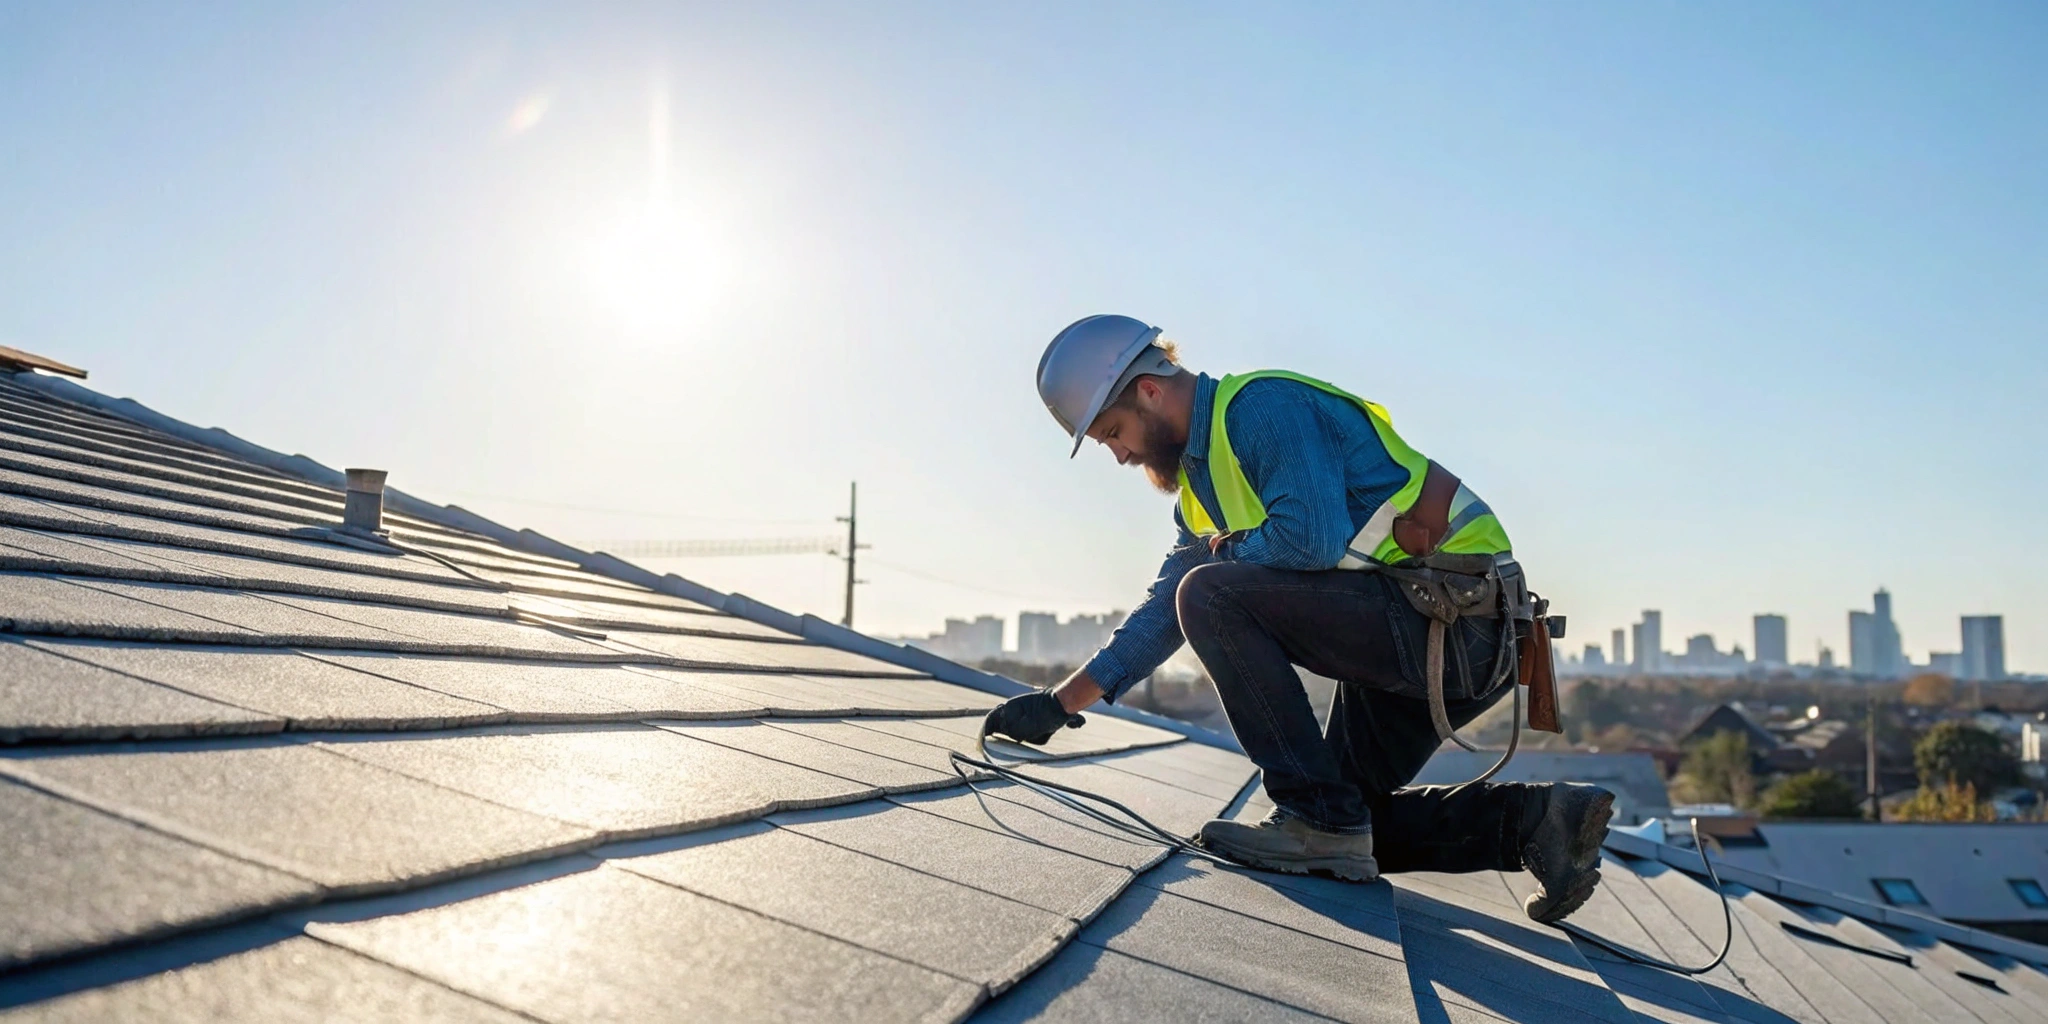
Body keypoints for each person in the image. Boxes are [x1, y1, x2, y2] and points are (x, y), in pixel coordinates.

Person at [981, 314, 1611, 924]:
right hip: (1419, 629)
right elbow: (1166, 611)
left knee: (1218, 607)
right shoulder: (1200, 493)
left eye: (1115, 433)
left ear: (1149, 391)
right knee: (1353, 829)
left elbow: (1308, 539)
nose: (1119, 456)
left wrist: (1226, 559)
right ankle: (1542, 823)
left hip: (1460, 623)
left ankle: (1319, 819)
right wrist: (1060, 704)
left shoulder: (1259, 409)